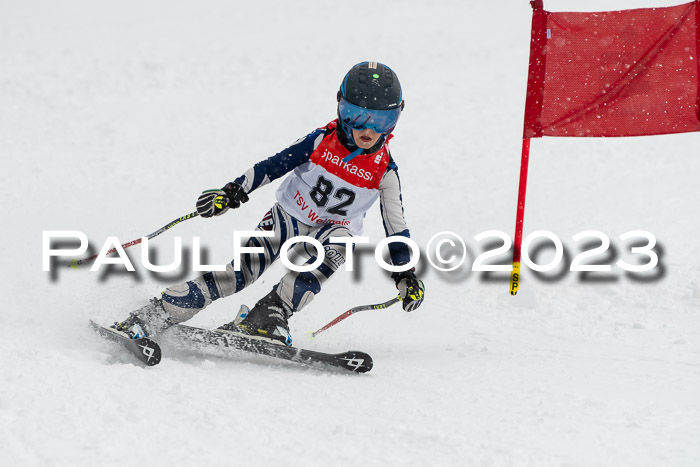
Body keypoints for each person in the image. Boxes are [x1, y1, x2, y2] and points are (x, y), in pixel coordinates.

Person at [113, 61, 425, 345]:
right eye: (355, 116)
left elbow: (397, 229)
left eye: (381, 120)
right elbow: (274, 165)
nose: (367, 130)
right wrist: (232, 191)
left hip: (335, 230)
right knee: (242, 273)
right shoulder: (321, 141)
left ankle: (269, 315)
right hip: (289, 215)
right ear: (340, 109)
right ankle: (158, 312)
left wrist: (405, 273)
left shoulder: (385, 172)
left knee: (338, 248)